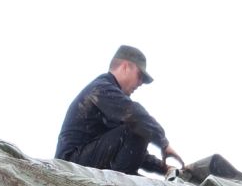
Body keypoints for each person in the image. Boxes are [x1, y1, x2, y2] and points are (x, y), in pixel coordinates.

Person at [55, 45, 185, 176]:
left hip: (84, 160)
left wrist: (165, 168)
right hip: (69, 165)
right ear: (125, 67)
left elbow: (131, 149)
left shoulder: (113, 105)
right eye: (140, 76)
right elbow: (137, 119)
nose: (141, 83)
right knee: (138, 124)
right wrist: (163, 143)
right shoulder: (101, 88)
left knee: (147, 183)